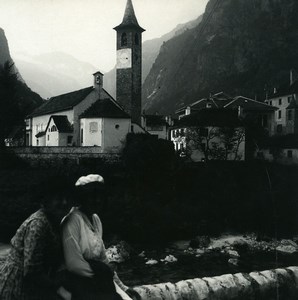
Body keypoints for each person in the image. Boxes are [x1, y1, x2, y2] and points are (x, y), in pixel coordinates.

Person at [61, 174, 141, 300]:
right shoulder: (72, 220)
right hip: (76, 282)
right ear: (82, 198)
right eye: (91, 196)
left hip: (97, 279)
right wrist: (102, 275)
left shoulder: (96, 220)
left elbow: (103, 260)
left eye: (100, 196)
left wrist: (123, 287)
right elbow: (73, 264)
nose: (97, 200)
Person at [0, 177, 71, 300]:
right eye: (58, 198)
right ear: (46, 201)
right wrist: (56, 287)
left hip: (35, 282)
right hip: (18, 284)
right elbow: (31, 270)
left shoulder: (55, 221)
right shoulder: (38, 224)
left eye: (67, 198)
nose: (64, 202)